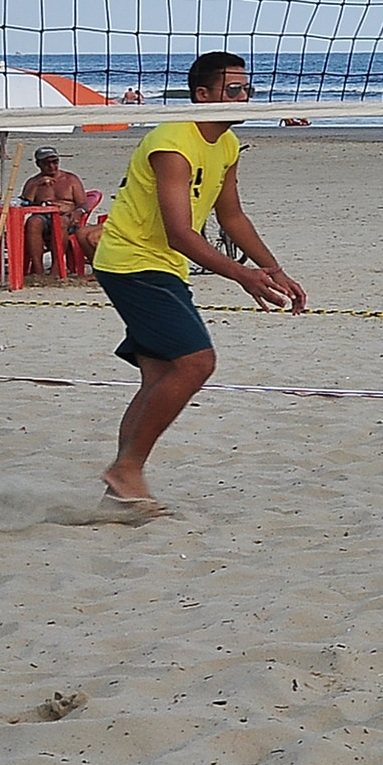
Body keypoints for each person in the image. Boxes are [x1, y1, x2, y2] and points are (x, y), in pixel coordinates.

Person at [90, 51, 306, 509]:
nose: (243, 97)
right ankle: (125, 470)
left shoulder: (226, 144)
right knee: (196, 363)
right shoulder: (173, 141)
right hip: (132, 261)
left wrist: (272, 268)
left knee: (160, 375)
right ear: (201, 95)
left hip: (161, 265)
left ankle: (120, 488)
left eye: (246, 89)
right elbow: (180, 232)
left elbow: (231, 215)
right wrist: (242, 276)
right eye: (233, 90)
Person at [19, 146, 89, 277]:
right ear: (38, 164)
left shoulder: (70, 179)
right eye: (46, 163)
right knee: (33, 222)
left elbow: (83, 203)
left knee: (61, 222)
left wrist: (77, 212)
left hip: (66, 218)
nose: (51, 166)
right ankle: (38, 270)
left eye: (54, 162)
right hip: (43, 217)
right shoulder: (33, 181)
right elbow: (25, 203)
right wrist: (36, 185)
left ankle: (57, 268)